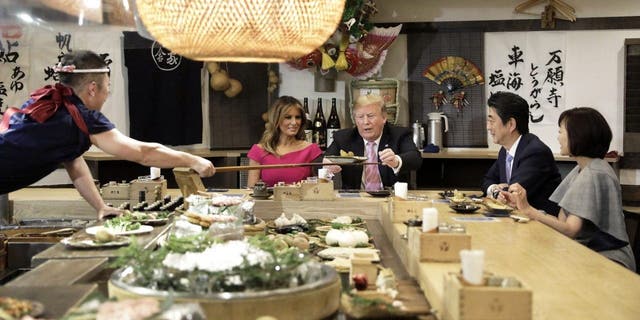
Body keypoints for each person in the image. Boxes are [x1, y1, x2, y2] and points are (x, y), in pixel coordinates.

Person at [0, 50, 215, 220]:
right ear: (93, 88)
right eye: (107, 88)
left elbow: (75, 164)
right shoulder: (81, 117)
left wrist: (101, 206)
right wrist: (192, 159)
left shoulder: (51, 103)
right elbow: (143, 153)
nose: (106, 97)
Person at [503, 107, 635, 271]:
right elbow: (562, 222)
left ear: (577, 135)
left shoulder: (594, 173)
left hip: (609, 260)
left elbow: (571, 230)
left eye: (561, 132)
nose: (558, 138)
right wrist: (523, 206)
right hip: (587, 252)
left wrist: (530, 210)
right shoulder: (583, 168)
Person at [481, 91, 561, 215]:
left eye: (492, 121)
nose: (488, 127)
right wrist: (495, 188)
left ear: (511, 124)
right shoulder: (505, 150)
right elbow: (487, 180)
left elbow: (512, 194)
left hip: (542, 226)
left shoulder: (535, 152)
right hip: (516, 219)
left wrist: (498, 191)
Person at [324, 94, 421, 190]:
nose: (366, 122)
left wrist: (396, 161)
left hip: (391, 197)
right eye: (360, 117)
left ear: (384, 118)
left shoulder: (399, 134)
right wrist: (327, 165)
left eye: (370, 116)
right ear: (355, 120)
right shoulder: (344, 138)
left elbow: (415, 158)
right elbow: (323, 160)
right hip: (355, 199)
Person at [247, 96, 322, 187]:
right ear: (276, 119)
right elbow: (251, 191)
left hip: (301, 200)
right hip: (269, 201)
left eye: (297, 117)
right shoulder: (258, 151)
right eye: (288, 117)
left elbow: (320, 187)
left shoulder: (311, 150)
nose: (294, 122)